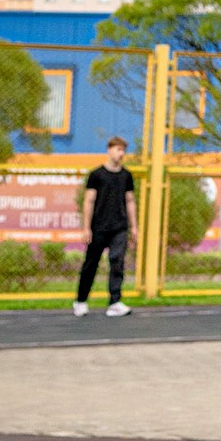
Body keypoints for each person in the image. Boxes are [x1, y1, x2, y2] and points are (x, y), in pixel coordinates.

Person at [74, 135, 136, 317]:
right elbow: (89, 201)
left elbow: (130, 201)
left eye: (123, 150)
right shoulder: (97, 175)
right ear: (109, 149)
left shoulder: (126, 176)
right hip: (99, 227)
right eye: (118, 149)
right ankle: (81, 300)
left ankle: (115, 302)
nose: (121, 153)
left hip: (119, 226)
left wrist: (134, 227)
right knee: (91, 263)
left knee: (117, 262)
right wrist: (86, 227)